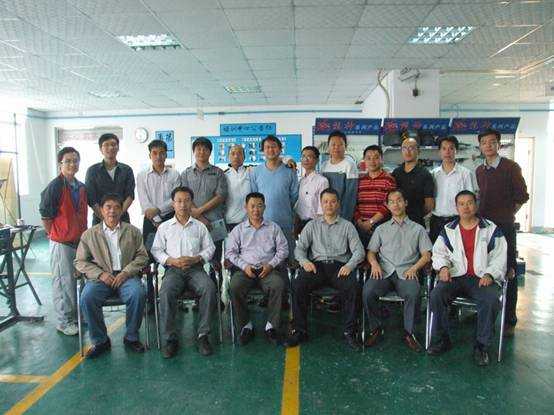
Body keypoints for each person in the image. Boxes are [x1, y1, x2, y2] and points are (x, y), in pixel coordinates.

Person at [429, 190, 507, 366]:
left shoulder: (491, 229)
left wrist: (490, 274)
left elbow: (499, 257)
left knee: (490, 300)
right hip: (456, 276)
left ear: (476, 205)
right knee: (436, 295)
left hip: (481, 278)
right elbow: (439, 253)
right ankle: (442, 340)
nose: (466, 207)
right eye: (461, 204)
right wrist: (443, 267)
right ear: (456, 207)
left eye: (470, 203)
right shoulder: (449, 229)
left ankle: (481, 346)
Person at [284, 188, 365, 350]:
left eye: (333, 201)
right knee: (297, 285)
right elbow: (299, 249)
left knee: (354, 288)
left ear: (338, 204)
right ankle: (300, 331)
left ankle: (350, 332)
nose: (329, 205)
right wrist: (304, 262)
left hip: (339, 267)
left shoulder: (347, 226)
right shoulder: (312, 225)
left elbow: (359, 251)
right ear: (321, 204)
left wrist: (349, 265)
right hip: (316, 266)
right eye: (326, 202)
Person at [75, 194, 149, 358]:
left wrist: (126, 272)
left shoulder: (133, 231)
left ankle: (131, 337)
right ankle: (100, 340)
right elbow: (80, 261)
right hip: (100, 278)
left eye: (116, 207)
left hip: (126, 276)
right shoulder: (89, 234)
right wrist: (100, 274)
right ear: (101, 211)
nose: (112, 211)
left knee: (138, 294)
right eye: (108, 207)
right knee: (87, 297)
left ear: (122, 210)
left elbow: (142, 256)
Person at [151, 186, 217, 358]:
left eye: (187, 200)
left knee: (209, 288)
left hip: (196, 269)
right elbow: (156, 250)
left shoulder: (200, 226)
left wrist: (197, 258)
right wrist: (171, 260)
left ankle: (203, 335)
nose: (183, 205)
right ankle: (170, 338)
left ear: (191, 203)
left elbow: (210, 248)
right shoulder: (164, 227)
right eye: (179, 201)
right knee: (165, 292)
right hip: (173, 269)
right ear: (173, 204)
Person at [363, 189, 432, 352]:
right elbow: (371, 252)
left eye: (399, 200)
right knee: (368, 291)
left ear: (405, 203)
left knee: (413, 292)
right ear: (387, 206)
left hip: (407, 272)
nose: (396, 204)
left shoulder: (418, 229)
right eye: (392, 202)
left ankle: (410, 333)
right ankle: (376, 329)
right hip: (383, 272)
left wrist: (414, 268)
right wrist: (374, 263)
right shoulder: (381, 229)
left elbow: (427, 255)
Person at [475, 128, 528, 337]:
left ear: (499, 144)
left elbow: (522, 196)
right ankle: (484, 310)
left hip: (504, 226)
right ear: (480, 146)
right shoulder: (480, 170)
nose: (488, 146)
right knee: (484, 266)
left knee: (508, 270)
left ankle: (509, 318)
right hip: (484, 227)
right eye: (484, 143)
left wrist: (508, 213)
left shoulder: (511, 167)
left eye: (492, 142)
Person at [226, 192, 289, 346]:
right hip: (245, 270)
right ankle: (246, 326)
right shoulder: (239, 230)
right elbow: (230, 252)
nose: (256, 210)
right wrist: (244, 266)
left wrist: (271, 265)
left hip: (268, 270)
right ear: (246, 208)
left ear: (264, 207)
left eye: (259, 206)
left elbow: (283, 250)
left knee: (278, 285)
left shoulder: (273, 228)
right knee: (234, 286)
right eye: (252, 206)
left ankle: (271, 327)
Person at [39, 147, 87, 336]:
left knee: (79, 280)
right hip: (62, 243)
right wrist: (54, 234)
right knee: (63, 283)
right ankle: (64, 321)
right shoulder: (55, 186)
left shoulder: (80, 187)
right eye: (68, 161)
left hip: (79, 242)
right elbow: (45, 214)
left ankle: (78, 317)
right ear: (60, 164)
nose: (72, 164)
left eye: (75, 160)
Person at [136, 139, 181, 309]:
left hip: (171, 220)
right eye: (155, 153)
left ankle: (172, 296)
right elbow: (143, 200)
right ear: (150, 155)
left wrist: (159, 212)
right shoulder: (142, 175)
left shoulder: (174, 174)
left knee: (171, 256)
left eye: (162, 153)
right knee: (148, 258)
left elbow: (175, 199)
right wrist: (155, 219)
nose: (158, 156)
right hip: (150, 223)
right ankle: (150, 298)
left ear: (166, 154)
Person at [180, 137, 228, 270]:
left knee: (215, 258)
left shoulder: (218, 172)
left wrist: (199, 211)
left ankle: (216, 281)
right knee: (194, 255)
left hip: (215, 222)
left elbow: (221, 196)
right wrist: (199, 217)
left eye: (205, 149)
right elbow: (184, 197)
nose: (201, 152)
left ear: (210, 152)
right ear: (194, 152)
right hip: (192, 221)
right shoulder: (185, 174)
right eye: (198, 149)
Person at [250, 135, 299, 263]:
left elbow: (294, 195)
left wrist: (283, 206)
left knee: (288, 259)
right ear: (262, 150)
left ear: (280, 149)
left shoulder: (290, 171)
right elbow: (253, 198)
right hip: (262, 223)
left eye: (274, 147)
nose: (270, 150)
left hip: (285, 222)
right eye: (267, 147)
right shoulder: (255, 172)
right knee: (266, 259)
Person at [430, 136, 476, 242]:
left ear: (456, 151)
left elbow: (470, 201)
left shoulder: (465, 173)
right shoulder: (433, 174)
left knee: (458, 251)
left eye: (451, 148)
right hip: (436, 221)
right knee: (437, 251)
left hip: (458, 221)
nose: (447, 152)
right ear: (439, 152)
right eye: (444, 148)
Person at [85, 133, 135, 225]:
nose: (111, 147)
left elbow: (130, 195)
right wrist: (106, 218)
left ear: (118, 148)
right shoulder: (92, 171)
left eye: (113, 144)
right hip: (99, 220)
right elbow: (91, 199)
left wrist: (117, 216)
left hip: (122, 219)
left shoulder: (127, 170)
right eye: (106, 145)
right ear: (101, 149)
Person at [353, 145, 396, 247]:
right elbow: (355, 203)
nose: (372, 161)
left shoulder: (388, 180)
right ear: (364, 160)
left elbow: (388, 204)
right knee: (361, 254)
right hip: (361, 228)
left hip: (381, 227)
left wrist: (370, 222)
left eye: (376, 157)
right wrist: (359, 222)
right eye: (368, 158)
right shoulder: (360, 180)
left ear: (381, 159)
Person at [392, 137, 434, 227]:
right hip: (397, 222)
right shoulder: (396, 173)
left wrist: (416, 215)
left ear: (418, 151)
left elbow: (429, 205)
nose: (407, 152)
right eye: (404, 148)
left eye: (411, 148)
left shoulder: (425, 174)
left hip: (416, 223)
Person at [320, 130, 358, 222]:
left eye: (340, 144)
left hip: (342, 215)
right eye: (333, 144)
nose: (336, 147)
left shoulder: (349, 164)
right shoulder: (324, 165)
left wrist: (345, 218)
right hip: (326, 213)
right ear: (328, 147)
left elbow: (351, 195)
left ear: (345, 146)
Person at [294, 146, 329, 235]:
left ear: (316, 160)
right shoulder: (301, 181)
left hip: (315, 224)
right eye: (303, 156)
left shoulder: (322, 181)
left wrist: (318, 229)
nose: (305, 159)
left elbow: (322, 208)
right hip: (300, 224)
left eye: (309, 156)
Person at [224, 144, 251, 233]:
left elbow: (270, 163)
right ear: (228, 157)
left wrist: (287, 160)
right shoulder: (223, 175)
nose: (236, 156)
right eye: (233, 153)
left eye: (239, 153)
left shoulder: (251, 171)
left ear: (244, 157)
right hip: (231, 221)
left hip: (249, 220)